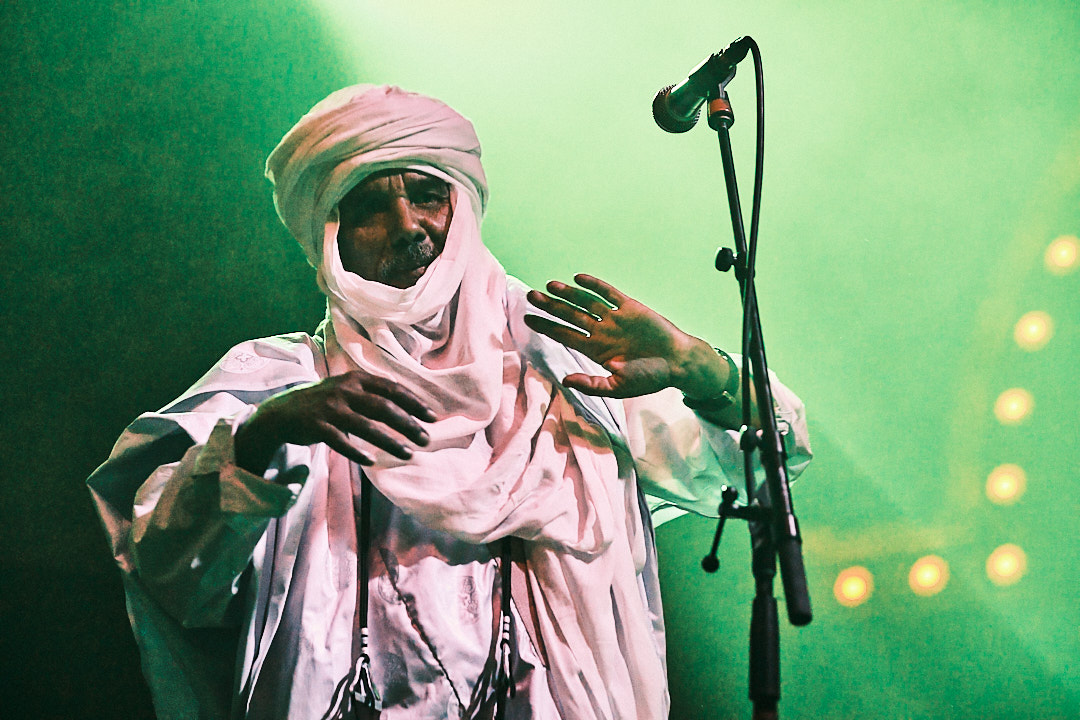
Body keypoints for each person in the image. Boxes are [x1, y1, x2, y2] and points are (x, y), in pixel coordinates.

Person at [88, 84, 811, 720]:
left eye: (428, 195)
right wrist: (262, 436)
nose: (410, 226)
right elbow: (162, 558)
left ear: (462, 207)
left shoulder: (563, 365)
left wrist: (698, 369)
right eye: (371, 207)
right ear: (329, 236)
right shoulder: (278, 381)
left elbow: (766, 465)